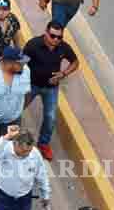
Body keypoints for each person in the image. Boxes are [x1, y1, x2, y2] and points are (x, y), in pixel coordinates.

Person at [23, 21, 80, 161]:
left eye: (59, 37)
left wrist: (63, 74)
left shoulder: (63, 47)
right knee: (17, 109)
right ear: (46, 33)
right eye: (53, 36)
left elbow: (75, 62)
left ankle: (43, 144)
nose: (56, 40)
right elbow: (21, 63)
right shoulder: (33, 45)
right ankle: (9, 135)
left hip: (51, 88)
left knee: (51, 117)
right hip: (31, 85)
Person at [0, 127, 51, 210]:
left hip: (24, 200)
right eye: (24, 151)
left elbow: (42, 175)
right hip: (3, 197)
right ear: (15, 143)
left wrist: (46, 195)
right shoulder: (5, 148)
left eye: (29, 150)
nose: (27, 154)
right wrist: (7, 136)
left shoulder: (35, 154)